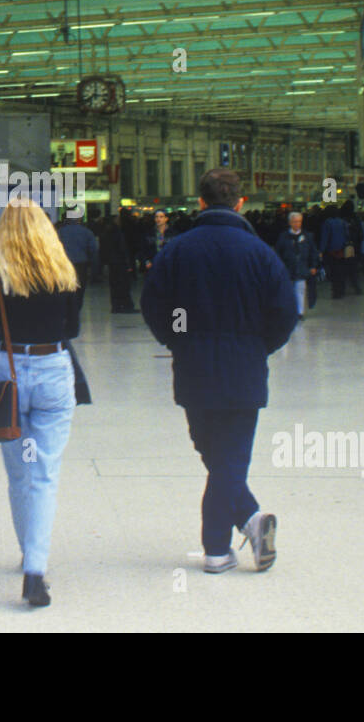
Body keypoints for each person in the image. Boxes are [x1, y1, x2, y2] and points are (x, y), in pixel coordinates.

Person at [141, 169, 296, 575]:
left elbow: (158, 306)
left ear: (200, 202)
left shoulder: (177, 250)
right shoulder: (260, 253)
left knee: (212, 452)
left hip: (193, 369)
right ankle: (248, 522)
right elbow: (284, 312)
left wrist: (179, 336)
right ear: (241, 203)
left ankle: (217, 548)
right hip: (244, 370)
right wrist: (259, 345)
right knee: (229, 458)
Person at [0, 199, 84, 607]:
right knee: (44, 474)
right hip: (53, 367)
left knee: (18, 472)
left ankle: (29, 549)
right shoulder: (65, 274)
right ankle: (34, 572)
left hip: (9, 370)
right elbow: (72, 327)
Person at [275, 211, 319, 319]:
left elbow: (313, 252)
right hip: (288, 268)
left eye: (299, 222)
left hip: (301, 268)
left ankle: (300, 312)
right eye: (294, 222)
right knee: (289, 291)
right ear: (290, 222)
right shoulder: (283, 237)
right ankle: (290, 311)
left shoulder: (307, 236)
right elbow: (278, 252)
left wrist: (313, 266)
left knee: (300, 290)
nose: (297, 224)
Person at [56, 213, 99, 312]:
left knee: (66, 287)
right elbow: (93, 250)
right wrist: (94, 268)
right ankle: (76, 309)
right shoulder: (86, 232)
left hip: (64, 264)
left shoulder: (60, 232)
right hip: (81, 264)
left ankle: (67, 309)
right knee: (80, 288)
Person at [101, 213, 136, 313]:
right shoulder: (117, 232)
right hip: (120, 262)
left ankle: (116, 306)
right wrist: (128, 263)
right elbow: (122, 248)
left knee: (115, 284)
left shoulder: (106, 232)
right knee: (123, 284)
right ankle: (126, 305)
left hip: (112, 262)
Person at [318, 206, 349, 298]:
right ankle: (342, 290)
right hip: (342, 250)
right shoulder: (343, 222)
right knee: (341, 271)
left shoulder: (327, 223)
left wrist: (321, 250)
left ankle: (336, 291)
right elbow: (347, 235)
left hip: (331, 250)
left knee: (334, 272)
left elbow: (325, 238)